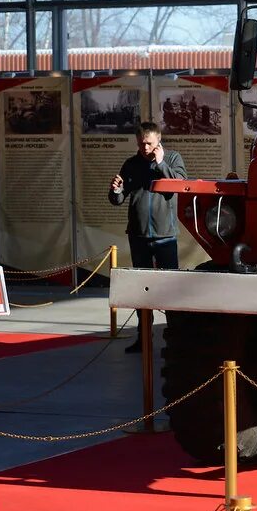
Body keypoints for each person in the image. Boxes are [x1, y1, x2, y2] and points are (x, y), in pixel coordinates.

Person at [108, 121, 188, 353]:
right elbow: (117, 200)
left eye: (149, 143)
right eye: (141, 143)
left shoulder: (172, 159)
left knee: (170, 291)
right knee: (143, 293)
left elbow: (178, 185)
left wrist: (160, 162)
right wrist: (116, 190)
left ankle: (175, 342)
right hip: (139, 236)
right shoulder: (131, 164)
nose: (144, 148)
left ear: (159, 140)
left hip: (165, 236)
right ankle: (143, 339)